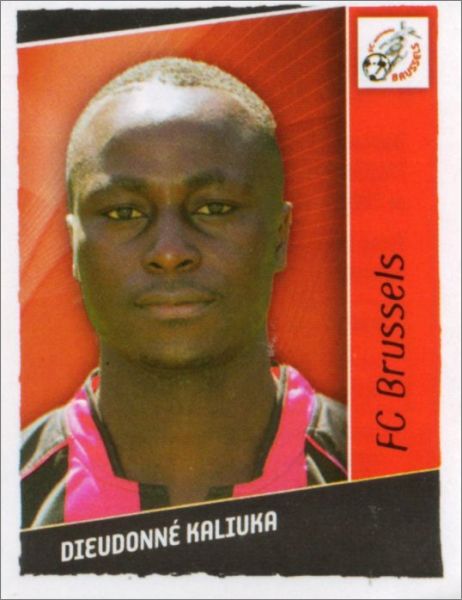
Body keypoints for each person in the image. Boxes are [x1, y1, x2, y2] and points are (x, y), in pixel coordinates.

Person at [20, 58, 346, 529]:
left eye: (214, 208)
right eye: (124, 213)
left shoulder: (389, 474)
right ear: (73, 246)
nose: (170, 252)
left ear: (279, 235)